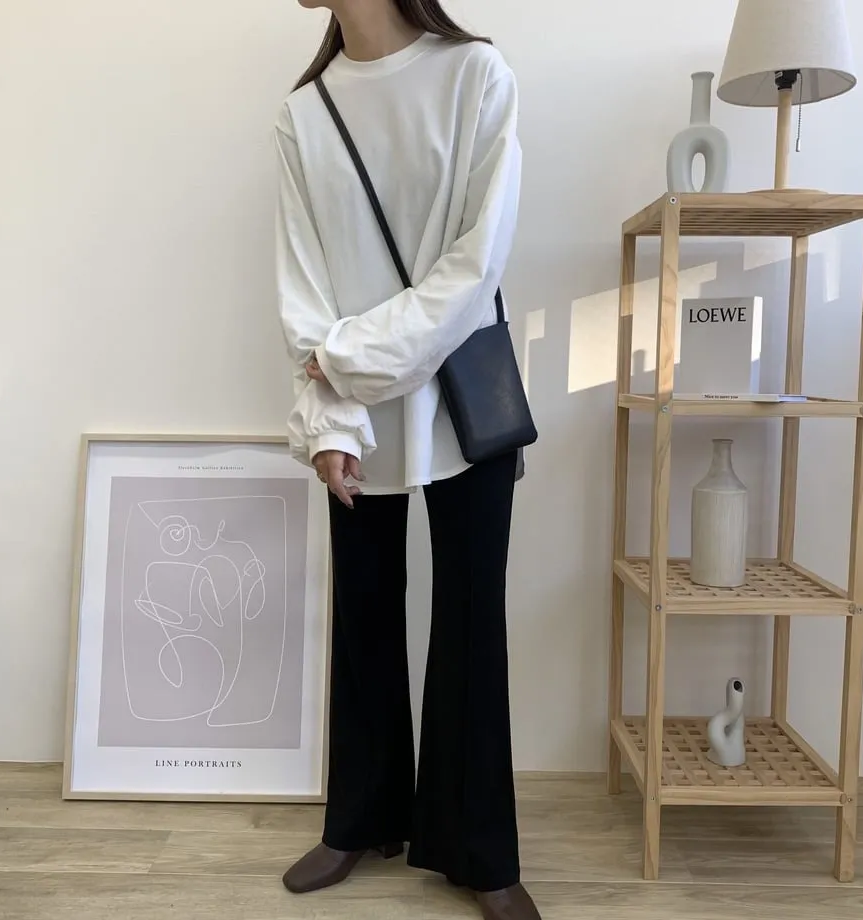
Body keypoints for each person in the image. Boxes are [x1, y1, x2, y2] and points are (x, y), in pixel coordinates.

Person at [273, 2, 537, 918]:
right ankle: (363, 817)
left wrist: (349, 359)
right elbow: (303, 287)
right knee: (363, 611)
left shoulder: (475, 77)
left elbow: (477, 264)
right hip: (355, 410)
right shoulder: (304, 114)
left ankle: (479, 849)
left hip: (463, 402)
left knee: (471, 621)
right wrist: (330, 419)